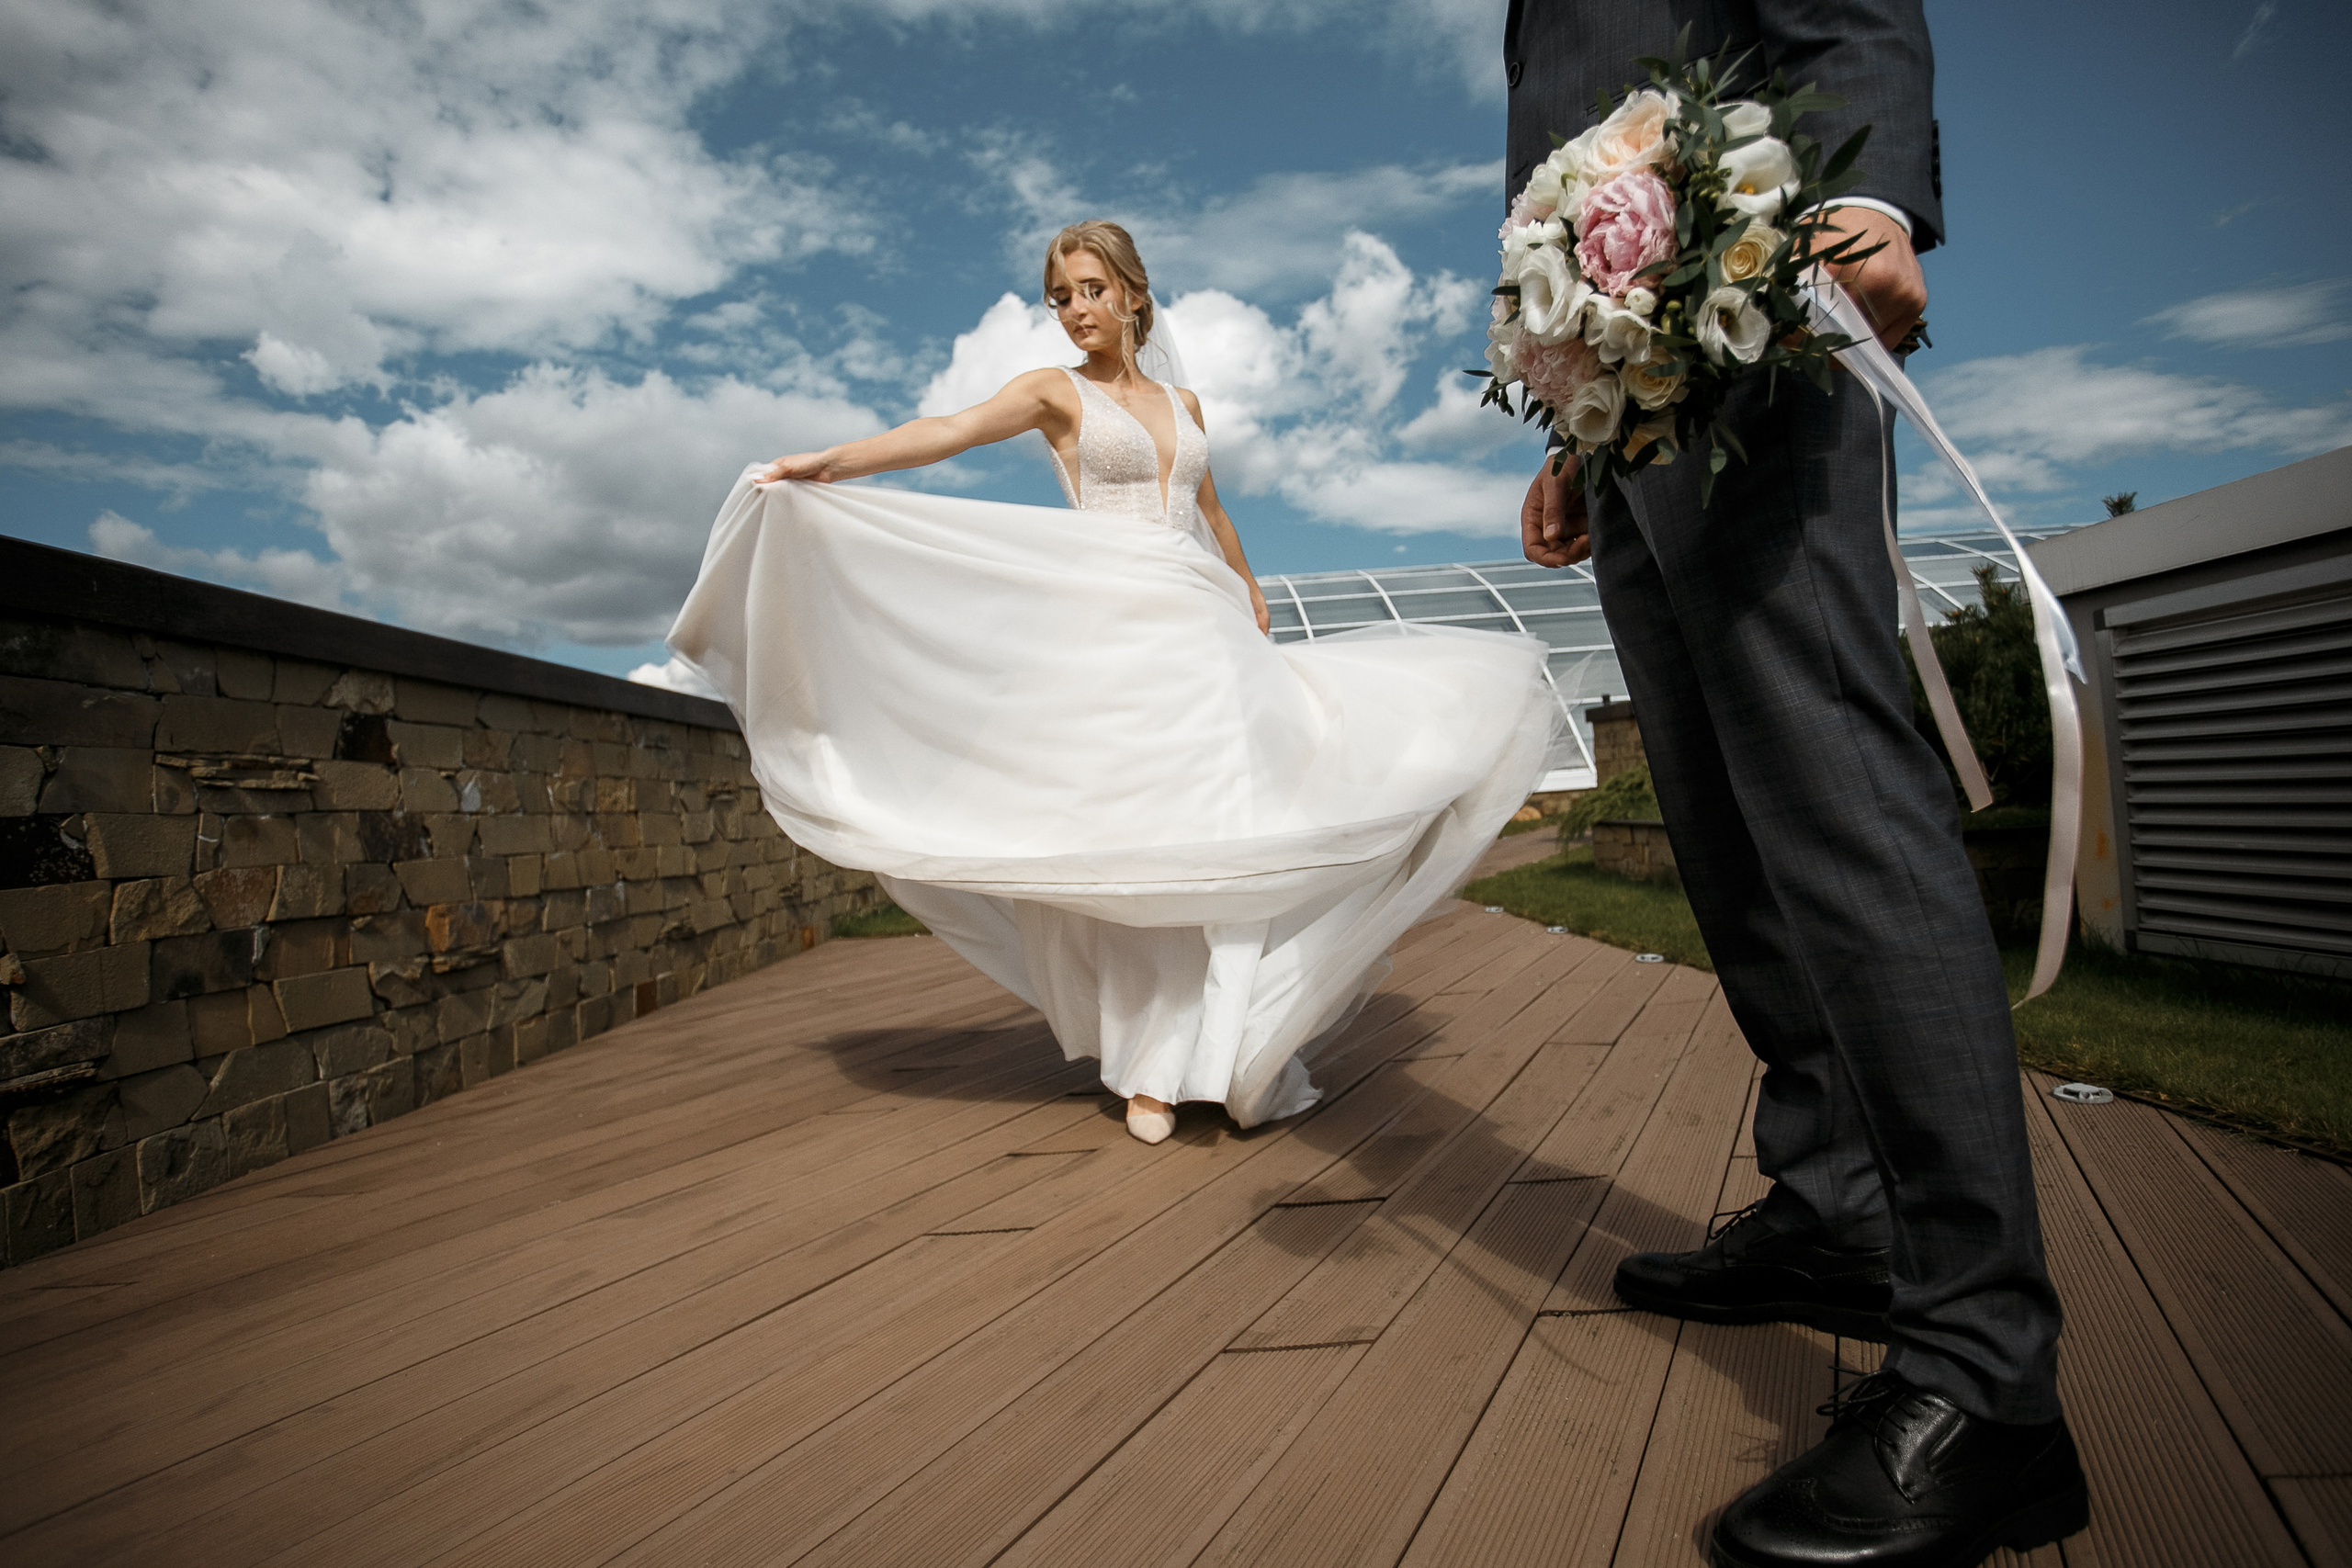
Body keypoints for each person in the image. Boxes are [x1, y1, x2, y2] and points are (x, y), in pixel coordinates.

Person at [1504, 5, 2088, 1566]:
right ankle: (1840, 1210)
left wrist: (1876, 199)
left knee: (1839, 806)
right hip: (1628, 399)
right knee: (1723, 833)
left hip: (1760, 324)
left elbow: (1844, 15)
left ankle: (1989, 1375)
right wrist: (1573, 411)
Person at [668, 221, 1557, 1146]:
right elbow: (947, 433)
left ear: (1134, 294)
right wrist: (829, 463)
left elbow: (1210, 511)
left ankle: (1227, 1051)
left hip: (1206, 636)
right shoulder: (1054, 393)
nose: (1075, 311)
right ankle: (1148, 1066)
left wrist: (1247, 588)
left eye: (1091, 289)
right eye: (1060, 297)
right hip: (1113, 645)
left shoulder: (1187, 403)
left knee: (1229, 833)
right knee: (1141, 843)